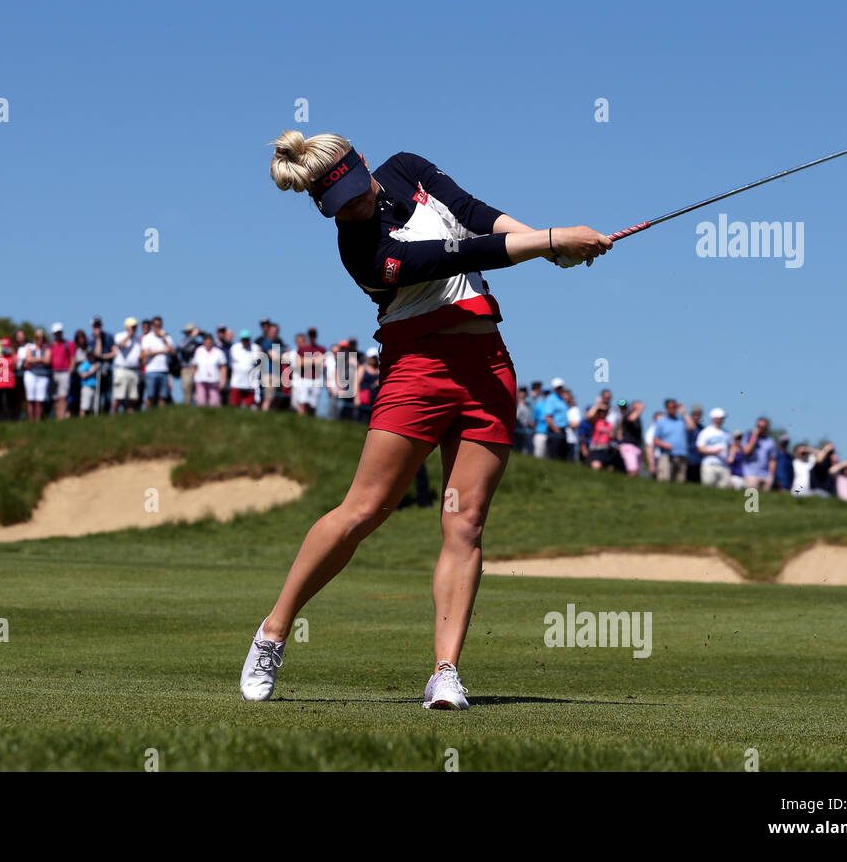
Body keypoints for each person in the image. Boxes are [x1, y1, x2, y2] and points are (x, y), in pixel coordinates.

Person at [239, 131, 610, 709]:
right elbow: (456, 255)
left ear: (364, 164)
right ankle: (272, 633)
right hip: (417, 371)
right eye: (340, 206)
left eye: (358, 193)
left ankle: (445, 672)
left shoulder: (408, 167)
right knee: (365, 510)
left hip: (487, 367)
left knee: (465, 523)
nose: (356, 207)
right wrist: (552, 241)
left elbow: (475, 217)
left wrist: (546, 242)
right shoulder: (360, 248)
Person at [140, 316, 176, 410]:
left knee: (163, 397)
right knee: (151, 396)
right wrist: (162, 351)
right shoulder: (147, 338)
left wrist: (164, 338)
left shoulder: (167, 337)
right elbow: (147, 353)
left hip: (164, 371)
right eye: (155, 325)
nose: (158, 327)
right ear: (152, 326)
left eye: (159, 325)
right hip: (151, 371)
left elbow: (173, 352)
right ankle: (148, 413)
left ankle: (160, 415)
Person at [651, 399, 690, 482]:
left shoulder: (681, 421)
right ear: (666, 408)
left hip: (682, 455)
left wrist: (683, 412)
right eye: (671, 407)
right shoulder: (661, 422)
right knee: (665, 480)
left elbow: (692, 426)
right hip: (666, 455)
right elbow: (655, 440)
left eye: (675, 407)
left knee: (680, 482)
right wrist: (665, 445)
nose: (673, 409)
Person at [695, 407, 732, 487]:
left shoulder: (727, 432)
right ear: (715, 418)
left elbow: (732, 446)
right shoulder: (706, 432)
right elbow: (699, 448)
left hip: (723, 465)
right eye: (721, 418)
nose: (722, 419)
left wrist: (731, 456)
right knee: (708, 488)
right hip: (709, 465)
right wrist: (712, 451)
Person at [289, 332, 325, 416]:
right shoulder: (302, 349)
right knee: (301, 402)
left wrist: (306, 360)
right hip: (303, 379)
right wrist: (315, 360)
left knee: (313, 404)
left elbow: (322, 365)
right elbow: (299, 363)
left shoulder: (321, 349)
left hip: (316, 379)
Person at [111, 318, 142, 413]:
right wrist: (129, 335)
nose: (134, 329)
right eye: (132, 327)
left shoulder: (138, 340)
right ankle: (113, 415)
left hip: (134, 370)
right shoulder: (120, 336)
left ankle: (128, 415)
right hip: (122, 370)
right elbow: (121, 345)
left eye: (135, 327)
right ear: (127, 327)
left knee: (133, 398)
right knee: (119, 397)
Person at [741, 418, 778, 491]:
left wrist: (771, 476)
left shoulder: (770, 441)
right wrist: (754, 436)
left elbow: (773, 460)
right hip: (750, 474)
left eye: (763, 427)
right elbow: (746, 451)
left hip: (766, 475)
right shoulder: (748, 437)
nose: (761, 429)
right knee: (752, 500)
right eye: (759, 427)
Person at [227, 329, 262, 408]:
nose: (245, 341)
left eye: (247, 339)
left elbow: (258, 366)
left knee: (249, 407)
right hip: (236, 383)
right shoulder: (235, 348)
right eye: (243, 339)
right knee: (234, 406)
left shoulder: (255, 348)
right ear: (241, 339)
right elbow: (231, 363)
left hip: (250, 384)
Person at [22, 328, 51, 422]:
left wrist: (35, 359)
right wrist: (41, 359)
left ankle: (37, 420)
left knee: (40, 400)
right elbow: (28, 359)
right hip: (31, 374)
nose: (40, 340)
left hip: (43, 376)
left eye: (42, 337)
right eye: (38, 337)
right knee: (30, 399)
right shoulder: (30, 347)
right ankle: (31, 420)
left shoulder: (47, 348)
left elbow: (47, 361)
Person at [49, 323, 76, 419]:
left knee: (63, 397)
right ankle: (58, 417)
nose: (58, 334)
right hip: (53, 374)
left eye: (59, 332)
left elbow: (73, 359)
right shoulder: (51, 345)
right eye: (56, 333)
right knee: (55, 398)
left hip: (65, 373)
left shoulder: (69, 344)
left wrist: (69, 372)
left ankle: (61, 417)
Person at [191, 334, 226, 406]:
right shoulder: (199, 350)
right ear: (204, 342)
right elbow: (194, 366)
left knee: (215, 401)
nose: (208, 343)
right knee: (201, 400)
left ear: (212, 342)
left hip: (214, 380)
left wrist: (223, 380)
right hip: (200, 379)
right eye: (206, 341)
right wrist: (194, 377)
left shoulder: (218, 352)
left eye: (210, 341)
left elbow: (223, 367)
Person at [540, 379, 569, 462]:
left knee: (562, 456)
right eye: (558, 387)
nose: (560, 389)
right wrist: (556, 429)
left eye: (561, 387)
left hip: (562, 430)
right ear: (554, 388)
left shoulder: (561, 399)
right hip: (555, 430)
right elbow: (548, 417)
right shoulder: (551, 399)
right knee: (554, 455)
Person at [0, 337, 18, 421]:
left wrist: (11, 354)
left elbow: (16, 366)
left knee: (10, 403)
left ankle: (11, 420)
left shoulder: (13, 355)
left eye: (7, 347)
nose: (5, 349)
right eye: (3, 347)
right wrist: (0, 356)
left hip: (10, 383)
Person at [354, 347, 381, 424]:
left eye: (375, 358)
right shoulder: (362, 368)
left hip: (374, 400)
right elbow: (357, 383)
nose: (373, 359)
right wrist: (357, 398)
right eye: (372, 357)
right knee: (360, 419)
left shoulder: (379, 370)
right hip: (363, 399)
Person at [618, 400, 644, 476]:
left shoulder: (638, 419)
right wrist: (639, 410)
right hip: (629, 446)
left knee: (637, 472)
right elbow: (631, 418)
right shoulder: (627, 415)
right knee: (632, 470)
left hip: (638, 446)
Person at [512, 387, 532, 454]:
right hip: (517, 429)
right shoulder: (515, 403)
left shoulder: (528, 405)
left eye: (524, 391)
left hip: (525, 429)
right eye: (521, 391)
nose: (523, 393)